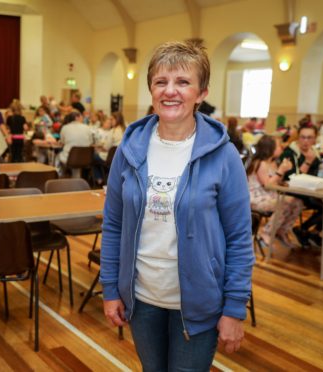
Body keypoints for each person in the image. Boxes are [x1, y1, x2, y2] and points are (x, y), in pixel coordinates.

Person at [100, 41, 254, 371]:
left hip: (199, 305)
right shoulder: (129, 150)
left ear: (201, 93)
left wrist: (235, 308)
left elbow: (240, 238)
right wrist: (111, 289)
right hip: (141, 301)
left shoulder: (223, 155)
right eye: (161, 82)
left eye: (183, 82)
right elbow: (113, 225)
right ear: (151, 90)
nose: (171, 91)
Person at [246, 135, 303, 248]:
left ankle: (282, 230)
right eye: (278, 146)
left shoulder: (273, 163)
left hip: (270, 195)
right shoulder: (260, 163)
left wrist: (283, 172)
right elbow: (267, 184)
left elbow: (276, 182)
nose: (281, 148)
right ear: (269, 148)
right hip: (256, 198)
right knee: (284, 203)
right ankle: (266, 232)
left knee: (298, 202)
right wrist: (281, 170)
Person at [57, 111, 94, 176]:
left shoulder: (65, 128)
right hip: (86, 158)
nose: (83, 118)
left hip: (70, 157)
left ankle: (59, 176)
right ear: (77, 117)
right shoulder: (87, 127)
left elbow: (62, 142)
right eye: (81, 117)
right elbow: (91, 143)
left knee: (57, 157)